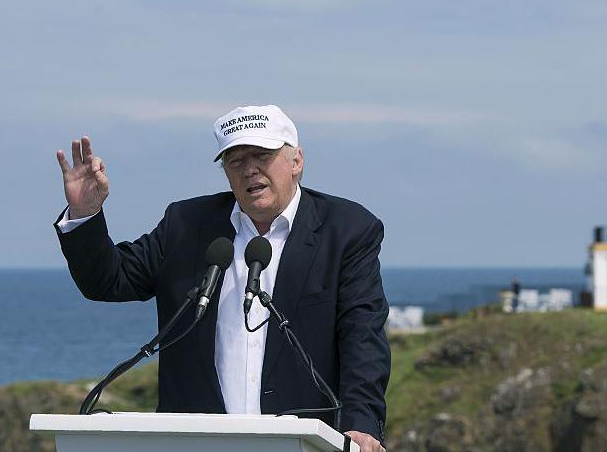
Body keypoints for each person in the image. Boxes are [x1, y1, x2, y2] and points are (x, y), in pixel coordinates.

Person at [54, 105, 390, 452]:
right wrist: (85, 214)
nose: (249, 170)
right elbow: (108, 280)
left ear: (296, 162)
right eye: (235, 160)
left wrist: (361, 424)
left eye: (262, 155)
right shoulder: (186, 225)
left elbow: (362, 338)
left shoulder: (347, 230)